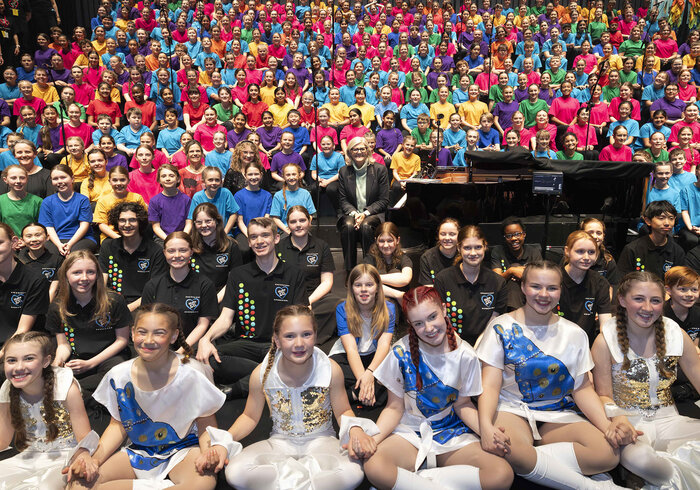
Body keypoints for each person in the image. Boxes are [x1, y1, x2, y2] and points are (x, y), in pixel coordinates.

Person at [476, 261, 625, 489]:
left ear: (560, 290)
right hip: (513, 410)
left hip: (557, 412)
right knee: (507, 447)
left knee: (608, 453)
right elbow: (490, 385)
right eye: (536, 286)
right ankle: (589, 486)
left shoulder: (574, 333)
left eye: (552, 288)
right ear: (523, 287)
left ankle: (529, 462)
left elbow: (582, 388)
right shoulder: (500, 327)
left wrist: (606, 426)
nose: (544, 295)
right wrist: (485, 425)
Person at [198, 305, 378, 490]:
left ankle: (285, 482)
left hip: (322, 441)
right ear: (276, 339)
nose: (299, 343)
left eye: (306, 334)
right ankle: (308, 479)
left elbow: (343, 411)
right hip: (280, 443)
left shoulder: (330, 369)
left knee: (351, 473)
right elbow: (250, 417)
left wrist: (355, 429)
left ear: (315, 335)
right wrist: (224, 442)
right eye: (289, 336)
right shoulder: (261, 374)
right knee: (236, 473)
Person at [364, 286, 514, 490]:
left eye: (432, 316)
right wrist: (372, 440)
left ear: (444, 310)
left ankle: (414, 480)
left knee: (501, 474)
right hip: (410, 432)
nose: (429, 328)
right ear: (411, 325)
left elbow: (463, 404)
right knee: (374, 466)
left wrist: (486, 430)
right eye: (419, 323)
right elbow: (393, 408)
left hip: (451, 432)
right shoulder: (400, 352)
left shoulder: (466, 355)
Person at [65, 303, 225, 490]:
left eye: (159, 333)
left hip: (184, 450)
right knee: (80, 483)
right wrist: (94, 461)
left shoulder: (193, 373)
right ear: (132, 333)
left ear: (173, 336)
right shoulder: (119, 375)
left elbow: (206, 424)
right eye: (142, 332)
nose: (149, 340)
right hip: (140, 451)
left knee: (202, 484)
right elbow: (118, 426)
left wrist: (208, 453)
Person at [591, 271, 700, 487]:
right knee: (644, 462)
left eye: (655, 301)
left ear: (664, 301)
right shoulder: (605, 340)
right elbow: (602, 395)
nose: (647, 308)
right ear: (622, 300)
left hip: (671, 419)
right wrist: (618, 418)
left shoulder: (676, 334)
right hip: (630, 425)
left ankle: (648, 479)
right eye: (639, 299)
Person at [196, 217, 307, 397]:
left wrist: (284, 340)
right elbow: (225, 319)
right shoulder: (238, 275)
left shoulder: (294, 274)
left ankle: (237, 389)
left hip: (281, 347)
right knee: (207, 357)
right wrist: (205, 339)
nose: (259, 241)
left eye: (265, 235)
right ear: (248, 242)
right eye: (254, 237)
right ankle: (273, 376)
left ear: (276, 238)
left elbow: (301, 319)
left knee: (301, 359)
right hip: (247, 345)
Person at [0, 332, 97, 489]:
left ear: (46, 361)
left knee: (42, 487)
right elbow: (2, 439)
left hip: (66, 456)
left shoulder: (64, 384)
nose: (19, 367)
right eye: (11, 360)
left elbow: (84, 436)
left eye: (29, 358)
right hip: (29, 456)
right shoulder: (7, 388)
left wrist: (83, 455)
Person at [47, 250, 131, 399]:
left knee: (117, 374)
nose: (84, 278)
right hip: (76, 360)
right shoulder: (57, 306)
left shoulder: (115, 301)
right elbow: (63, 345)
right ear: (66, 275)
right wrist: (57, 363)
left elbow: (122, 341)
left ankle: (77, 392)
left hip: (109, 358)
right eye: (77, 272)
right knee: (50, 380)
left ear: (98, 274)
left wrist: (90, 363)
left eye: (90, 272)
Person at [328, 263, 395, 407]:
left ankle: (351, 394)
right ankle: (366, 393)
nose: (364, 290)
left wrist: (370, 372)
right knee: (332, 372)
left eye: (369, 284)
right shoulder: (343, 309)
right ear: (351, 288)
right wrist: (364, 380)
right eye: (358, 285)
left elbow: (384, 345)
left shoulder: (389, 309)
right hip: (348, 356)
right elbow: (351, 349)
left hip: (375, 355)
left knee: (395, 370)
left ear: (377, 287)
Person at [141, 232, 218, 349]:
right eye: (171, 251)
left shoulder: (205, 285)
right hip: (160, 346)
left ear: (191, 252)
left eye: (183, 250)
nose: (177, 255)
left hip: (194, 345)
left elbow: (202, 325)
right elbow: (146, 323)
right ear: (164, 253)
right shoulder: (152, 285)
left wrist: (182, 351)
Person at [434, 225, 508, 346]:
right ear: (459, 248)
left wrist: (479, 346)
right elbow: (443, 318)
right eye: (467, 248)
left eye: (478, 247)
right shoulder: (443, 280)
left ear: (485, 247)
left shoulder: (498, 282)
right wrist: (463, 347)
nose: (473, 253)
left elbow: (494, 321)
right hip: (452, 342)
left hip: (487, 342)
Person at [99, 201, 166, 311]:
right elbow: (101, 282)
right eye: (122, 220)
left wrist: (126, 309)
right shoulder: (108, 246)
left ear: (140, 222)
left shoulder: (156, 251)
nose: (127, 225)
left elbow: (155, 289)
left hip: (144, 306)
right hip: (112, 304)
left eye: (132, 220)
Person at [337, 137, 390, 271]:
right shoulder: (344, 171)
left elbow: (383, 200)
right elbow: (343, 200)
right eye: (355, 149)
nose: (359, 152)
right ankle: (350, 271)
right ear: (350, 152)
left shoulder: (380, 170)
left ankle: (370, 270)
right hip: (351, 213)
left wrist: (365, 213)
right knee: (348, 226)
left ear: (368, 151)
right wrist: (355, 214)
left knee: (366, 226)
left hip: (373, 213)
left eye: (362, 149)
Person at [0, 223, 50, 353]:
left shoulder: (36, 280)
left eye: (0, 242)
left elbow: (22, 330)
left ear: (14, 242)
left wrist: (1, 354)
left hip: (22, 347)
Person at [559, 230, 613, 344]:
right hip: (556, 343)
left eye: (591, 252)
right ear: (567, 251)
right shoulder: (554, 279)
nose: (586, 257)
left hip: (586, 345)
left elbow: (605, 325)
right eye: (580, 251)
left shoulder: (600, 283)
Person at [277, 205, 334, 305]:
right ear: (288, 225)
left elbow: (327, 282)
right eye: (293, 222)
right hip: (287, 298)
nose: (298, 225)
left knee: (334, 304)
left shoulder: (322, 246)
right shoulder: (278, 247)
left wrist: (308, 302)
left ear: (309, 221)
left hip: (315, 298)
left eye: (302, 220)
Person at [190, 202, 244, 303]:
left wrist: (215, 299)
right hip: (195, 297)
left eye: (208, 221)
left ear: (217, 221)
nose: (204, 225)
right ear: (194, 224)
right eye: (199, 222)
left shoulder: (231, 246)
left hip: (223, 295)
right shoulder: (189, 246)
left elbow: (235, 278)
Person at [618, 200, 685, 279]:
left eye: (671, 218)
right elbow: (621, 280)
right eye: (661, 218)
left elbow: (679, 282)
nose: (667, 223)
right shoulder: (632, 249)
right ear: (648, 221)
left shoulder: (677, 251)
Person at [38, 165, 96, 255]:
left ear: (72, 179)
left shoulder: (82, 200)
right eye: (55, 179)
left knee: (74, 255)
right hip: (57, 239)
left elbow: (84, 226)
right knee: (52, 255)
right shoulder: (47, 202)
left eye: (63, 177)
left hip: (82, 239)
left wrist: (69, 244)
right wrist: (59, 245)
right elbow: (48, 227)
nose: (60, 181)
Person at [491, 217, 543, 309]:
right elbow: (496, 281)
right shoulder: (498, 251)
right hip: (505, 296)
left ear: (524, 234)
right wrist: (511, 271)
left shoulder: (534, 252)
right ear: (505, 238)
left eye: (517, 234)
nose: (514, 238)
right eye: (509, 236)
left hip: (530, 295)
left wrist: (523, 276)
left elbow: (540, 279)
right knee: (514, 271)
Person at [364, 222, 413, 301]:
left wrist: (375, 278)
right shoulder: (370, 258)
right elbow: (365, 280)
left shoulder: (404, 258)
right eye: (382, 241)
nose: (386, 245)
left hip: (400, 304)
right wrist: (397, 295)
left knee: (394, 271)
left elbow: (406, 279)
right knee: (380, 272)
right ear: (376, 241)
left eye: (390, 241)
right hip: (379, 303)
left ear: (397, 240)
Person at [269, 163, 316, 235]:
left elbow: (310, 215)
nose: (291, 177)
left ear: (299, 175)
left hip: (302, 229)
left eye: (294, 174)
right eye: (288, 175)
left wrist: (304, 227)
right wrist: (287, 230)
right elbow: (275, 218)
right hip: (285, 230)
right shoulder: (278, 196)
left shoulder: (305, 194)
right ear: (283, 176)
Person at [0, 164, 43, 237]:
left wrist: (25, 240)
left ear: (27, 179)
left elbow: (41, 227)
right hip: (8, 243)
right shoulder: (1, 201)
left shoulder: (38, 201)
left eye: (22, 178)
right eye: (13, 178)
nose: (18, 181)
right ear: (5, 180)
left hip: (31, 242)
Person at [663, 266, 700, 345]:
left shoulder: (698, 314)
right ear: (668, 290)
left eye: (694, 290)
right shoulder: (660, 314)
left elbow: (694, 346)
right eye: (683, 289)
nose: (689, 294)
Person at [418, 218, 460, 285]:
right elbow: (428, 290)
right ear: (438, 235)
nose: (447, 238)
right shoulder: (427, 257)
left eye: (452, 234)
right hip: (435, 295)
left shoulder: (464, 255)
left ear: (459, 235)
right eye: (443, 234)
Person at [580, 218, 620, 286]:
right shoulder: (571, 258)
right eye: (590, 232)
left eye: (599, 233)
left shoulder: (608, 261)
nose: (595, 236)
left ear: (603, 236)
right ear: (581, 234)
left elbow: (612, 288)